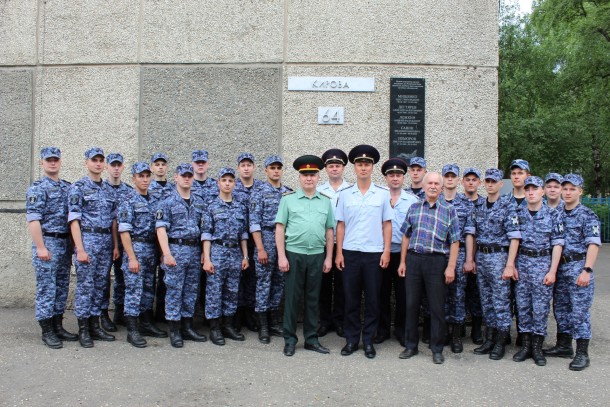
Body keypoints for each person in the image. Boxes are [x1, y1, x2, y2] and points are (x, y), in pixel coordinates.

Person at [335, 145, 393, 359]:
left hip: (373, 254)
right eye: (359, 164)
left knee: (372, 300)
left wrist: (387, 251)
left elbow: (387, 225)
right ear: (354, 167)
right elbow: (340, 225)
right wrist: (339, 253)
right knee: (350, 299)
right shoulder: (345, 194)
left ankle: (368, 340)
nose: (363, 167)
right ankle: (351, 340)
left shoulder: (382, 195)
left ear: (372, 167)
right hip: (350, 253)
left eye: (367, 164)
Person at [275, 155, 335, 356]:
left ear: (318, 177)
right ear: (299, 178)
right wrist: (281, 256)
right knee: (292, 299)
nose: (309, 179)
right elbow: (280, 229)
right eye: (305, 175)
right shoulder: (288, 200)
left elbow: (329, 231)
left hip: (317, 255)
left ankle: (311, 339)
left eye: (313, 175)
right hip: (294, 254)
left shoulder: (325, 202)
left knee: (313, 299)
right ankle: (290, 340)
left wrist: (328, 257)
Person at [397, 172, 459, 364]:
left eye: (436, 183)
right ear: (423, 186)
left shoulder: (449, 210)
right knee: (411, 305)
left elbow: (455, 241)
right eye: (429, 183)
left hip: (436, 262)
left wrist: (450, 267)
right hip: (414, 260)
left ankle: (437, 348)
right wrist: (402, 261)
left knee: (436, 307)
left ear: (441, 188)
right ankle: (411, 346)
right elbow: (406, 236)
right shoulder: (414, 208)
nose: (433, 186)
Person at [543, 174, 601, 371]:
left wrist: (587, 269)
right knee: (561, 309)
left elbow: (593, 244)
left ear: (580, 191)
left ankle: (582, 353)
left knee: (579, 312)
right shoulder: (558, 214)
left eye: (572, 189)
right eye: (565, 189)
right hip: (560, 268)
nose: (567, 192)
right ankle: (563, 345)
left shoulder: (587, 215)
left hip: (578, 267)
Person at [467, 169, 521, 360]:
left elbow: (515, 237)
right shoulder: (479, 206)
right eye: (487, 181)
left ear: (500, 184)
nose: (490, 184)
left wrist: (509, 264)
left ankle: (500, 342)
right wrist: (471, 259)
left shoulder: (507, 206)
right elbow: (473, 235)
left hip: (499, 258)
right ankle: (489, 339)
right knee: (486, 301)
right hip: (482, 257)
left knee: (501, 302)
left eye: (494, 181)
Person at [26, 147, 77, 349]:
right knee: (47, 288)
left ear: (60, 162)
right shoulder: (37, 188)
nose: (52, 163)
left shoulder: (67, 188)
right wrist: (40, 247)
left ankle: (58, 326)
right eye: (48, 160)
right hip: (47, 242)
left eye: (55, 160)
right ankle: (47, 330)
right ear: (42, 163)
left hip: (64, 243)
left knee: (61, 286)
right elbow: (33, 220)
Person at [68, 147, 119, 347]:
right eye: (94, 160)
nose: (98, 163)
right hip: (87, 240)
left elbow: (113, 221)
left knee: (100, 286)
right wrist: (79, 248)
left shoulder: (108, 189)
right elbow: (74, 220)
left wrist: (115, 245)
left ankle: (95, 325)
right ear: (86, 163)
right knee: (85, 287)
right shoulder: (78, 187)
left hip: (105, 242)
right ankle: (83, 329)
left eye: (100, 160)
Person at [511, 176, 564, 366]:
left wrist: (553, 271)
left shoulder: (553, 215)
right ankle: (525, 346)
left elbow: (557, 244)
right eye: (528, 189)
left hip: (543, 263)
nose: (531, 192)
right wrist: (513, 265)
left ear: (542, 192)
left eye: (535, 189)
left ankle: (537, 347)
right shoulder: (518, 213)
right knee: (523, 306)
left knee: (540, 309)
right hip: (523, 263)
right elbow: (514, 241)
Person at [155, 163, 207, 348]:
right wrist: (166, 253)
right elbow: (161, 229)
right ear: (175, 177)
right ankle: (175, 330)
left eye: (189, 175)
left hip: (193, 251)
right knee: (174, 291)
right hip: (175, 250)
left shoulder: (199, 202)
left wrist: (203, 253)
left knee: (191, 291)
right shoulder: (167, 201)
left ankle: (187, 326)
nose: (186, 178)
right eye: (183, 175)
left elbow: (204, 229)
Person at [118, 162, 168, 348]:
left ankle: (146, 323)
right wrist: (131, 257)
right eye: (141, 176)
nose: (145, 180)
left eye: (147, 176)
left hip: (151, 250)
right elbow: (124, 231)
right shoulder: (128, 201)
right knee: (134, 289)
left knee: (149, 288)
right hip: (136, 249)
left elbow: (159, 229)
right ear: (133, 178)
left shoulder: (154, 201)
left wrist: (162, 252)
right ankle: (132, 330)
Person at [202, 168, 250, 346]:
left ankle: (228, 326)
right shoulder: (211, 207)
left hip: (235, 252)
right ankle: (215, 328)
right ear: (218, 183)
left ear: (235, 184)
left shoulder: (240, 207)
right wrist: (207, 259)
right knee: (214, 291)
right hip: (217, 251)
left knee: (232, 291)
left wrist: (245, 256)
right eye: (224, 180)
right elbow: (206, 235)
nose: (227, 183)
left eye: (230, 180)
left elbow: (243, 234)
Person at [249, 155, 293, 344]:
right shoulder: (258, 192)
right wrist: (260, 248)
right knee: (263, 282)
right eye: (272, 168)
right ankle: (263, 326)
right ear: (266, 171)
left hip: (283, 241)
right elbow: (254, 222)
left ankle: (274, 322)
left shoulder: (289, 193)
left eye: (278, 168)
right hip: (266, 239)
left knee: (279, 282)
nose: (276, 171)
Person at [376, 158, 418, 346]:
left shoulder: (413, 201)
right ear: (385, 178)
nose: (395, 178)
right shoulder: (378, 198)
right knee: (381, 292)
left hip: (403, 254)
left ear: (403, 177)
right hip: (381, 252)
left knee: (403, 294)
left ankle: (401, 330)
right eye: (391, 175)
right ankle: (382, 329)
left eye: (398, 175)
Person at [440, 164, 476, 354]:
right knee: (440, 294)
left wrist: (469, 258)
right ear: (443, 179)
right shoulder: (435, 200)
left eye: (454, 176)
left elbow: (469, 233)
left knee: (458, 295)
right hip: (438, 253)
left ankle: (456, 335)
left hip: (460, 253)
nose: (450, 179)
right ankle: (442, 332)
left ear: (457, 179)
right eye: (447, 176)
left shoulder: (466, 203)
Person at [316, 148, 351, 338]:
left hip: (345, 245)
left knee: (342, 285)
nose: (334, 168)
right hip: (323, 244)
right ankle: (324, 321)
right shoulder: (319, 191)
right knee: (322, 285)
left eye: (338, 165)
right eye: (331, 165)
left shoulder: (352, 190)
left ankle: (339, 321)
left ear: (343, 168)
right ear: (326, 169)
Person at [100, 152, 133, 332]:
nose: (116, 168)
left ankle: (120, 312)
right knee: (103, 279)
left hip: (124, 242)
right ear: (107, 167)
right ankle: (103, 314)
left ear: (122, 167)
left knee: (123, 279)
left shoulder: (128, 190)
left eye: (119, 165)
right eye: (113, 165)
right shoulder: (100, 189)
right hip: (104, 241)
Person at [233, 152, 265, 333]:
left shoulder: (261, 188)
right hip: (237, 241)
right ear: (238, 168)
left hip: (257, 240)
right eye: (242, 165)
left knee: (254, 278)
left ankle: (251, 315)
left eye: (249, 165)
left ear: (254, 167)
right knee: (237, 278)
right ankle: (238, 314)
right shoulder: (231, 186)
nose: (246, 168)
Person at [461, 167, 485, 345]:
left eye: (474, 179)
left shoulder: (485, 204)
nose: (470, 182)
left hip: (482, 255)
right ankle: (458, 325)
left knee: (476, 292)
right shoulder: (458, 202)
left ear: (479, 183)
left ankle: (477, 328)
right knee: (458, 291)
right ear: (463, 182)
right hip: (460, 252)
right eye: (467, 179)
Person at [149, 152, 173, 322]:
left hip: (169, 241)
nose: (160, 167)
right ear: (152, 168)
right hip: (149, 241)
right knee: (149, 279)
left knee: (167, 279)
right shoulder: (146, 187)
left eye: (163, 164)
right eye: (157, 164)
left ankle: (163, 314)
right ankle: (148, 316)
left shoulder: (173, 189)